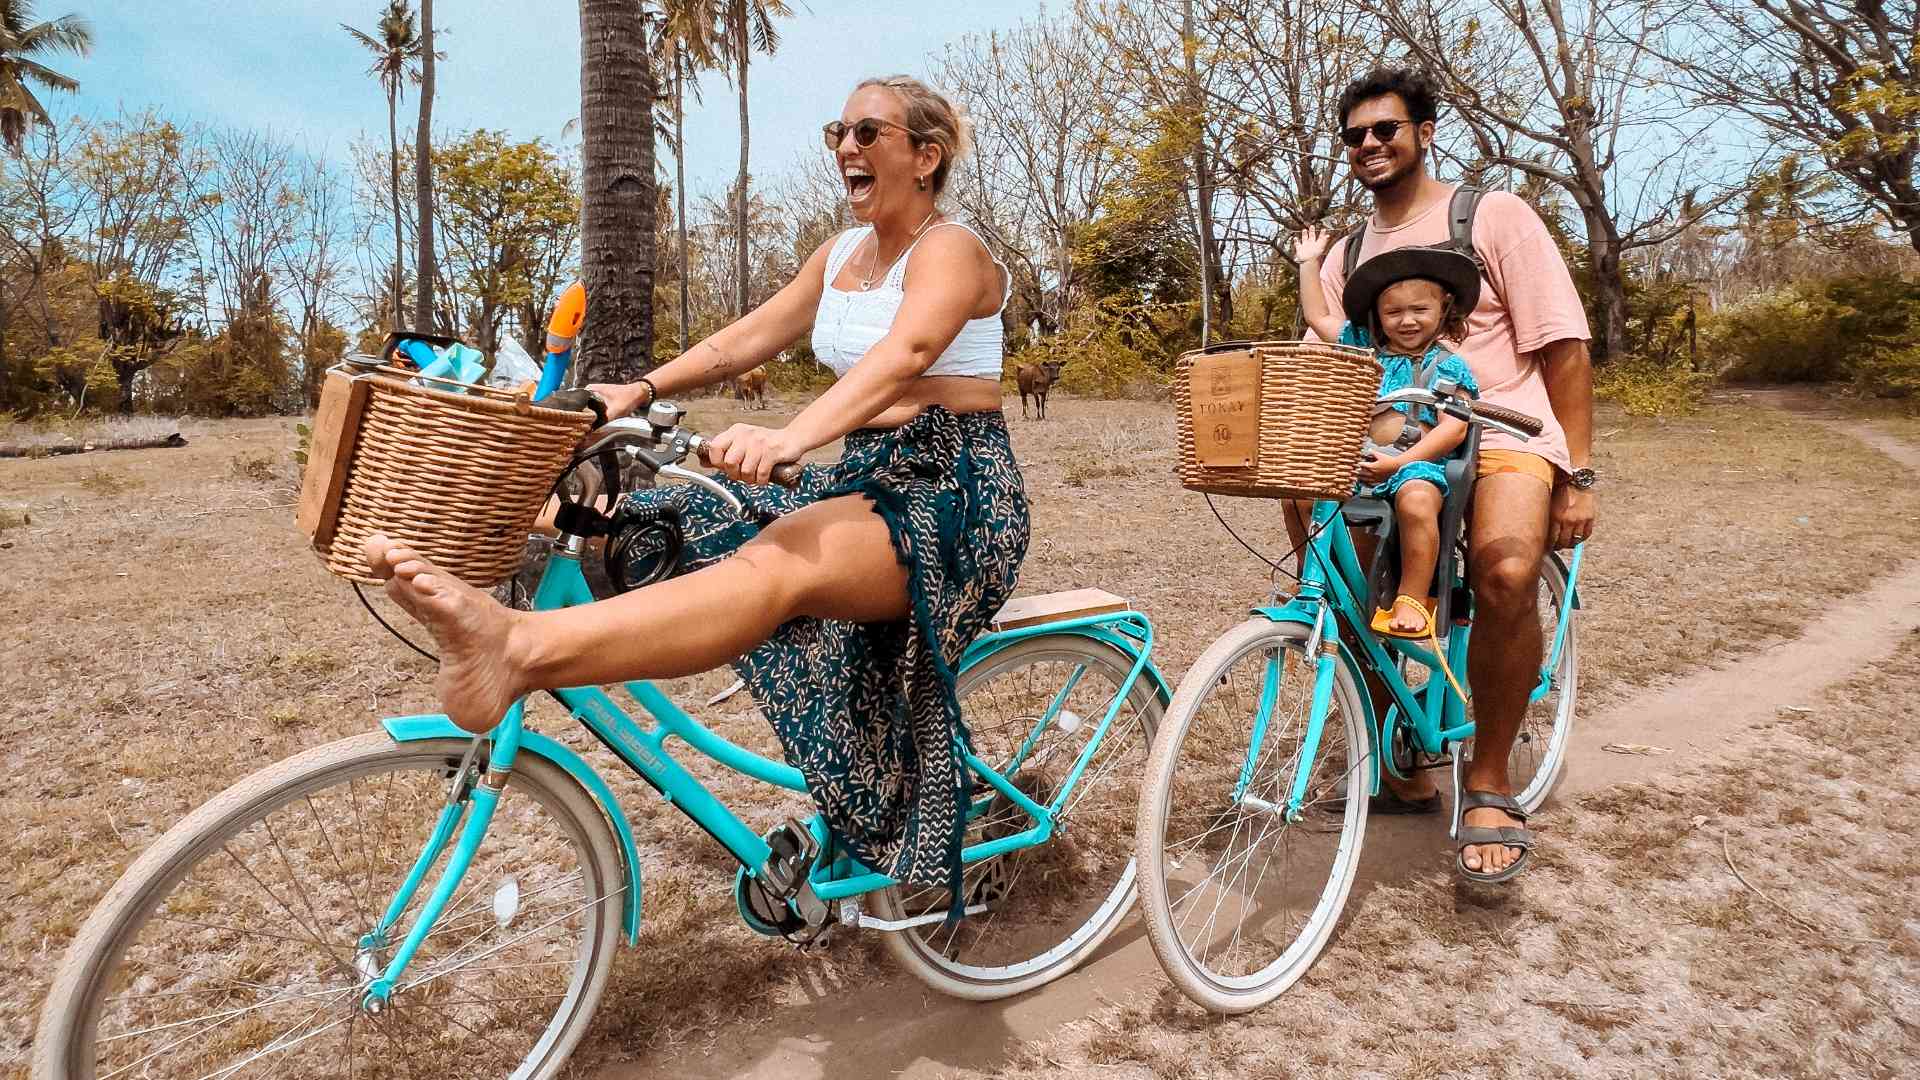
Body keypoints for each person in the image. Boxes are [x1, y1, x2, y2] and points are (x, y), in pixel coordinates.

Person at [363, 74, 1023, 908]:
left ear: (925, 157)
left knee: (779, 560)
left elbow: (911, 349)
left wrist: (788, 437)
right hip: (863, 477)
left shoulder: (953, 249)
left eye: (868, 133)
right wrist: (634, 390)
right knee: (670, 516)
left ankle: (518, 650)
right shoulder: (841, 257)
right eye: (838, 132)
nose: (846, 149)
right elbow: (745, 337)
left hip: (953, 491)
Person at [1304, 66, 1598, 883]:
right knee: (1339, 585)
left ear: (1424, 132)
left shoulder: (1492, 216)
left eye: (1385, 129)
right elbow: (1324, 355)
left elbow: (1564, 346)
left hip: (1500, 424)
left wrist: (1578, 473)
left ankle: (1491, 779)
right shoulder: (1349, 253)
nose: (1369, 145)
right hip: (1391, 436)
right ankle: (1395, 757)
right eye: (1355, 135)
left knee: (1505, 570)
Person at [1295, 232, 1482, 638]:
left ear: (1444, 307)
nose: (1407, 320)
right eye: (1393, 311)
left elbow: (1454, 426)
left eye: (1420, 309)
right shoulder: (1367, 350)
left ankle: (1411, 597)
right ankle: (1310, 579)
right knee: (1300, 493)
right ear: (1377, 315)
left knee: (1417, 502)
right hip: (1361, 463)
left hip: (1415, 466)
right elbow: (1317, 317)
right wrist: (1308, 262)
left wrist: (1400, 463)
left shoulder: (1448, 365)